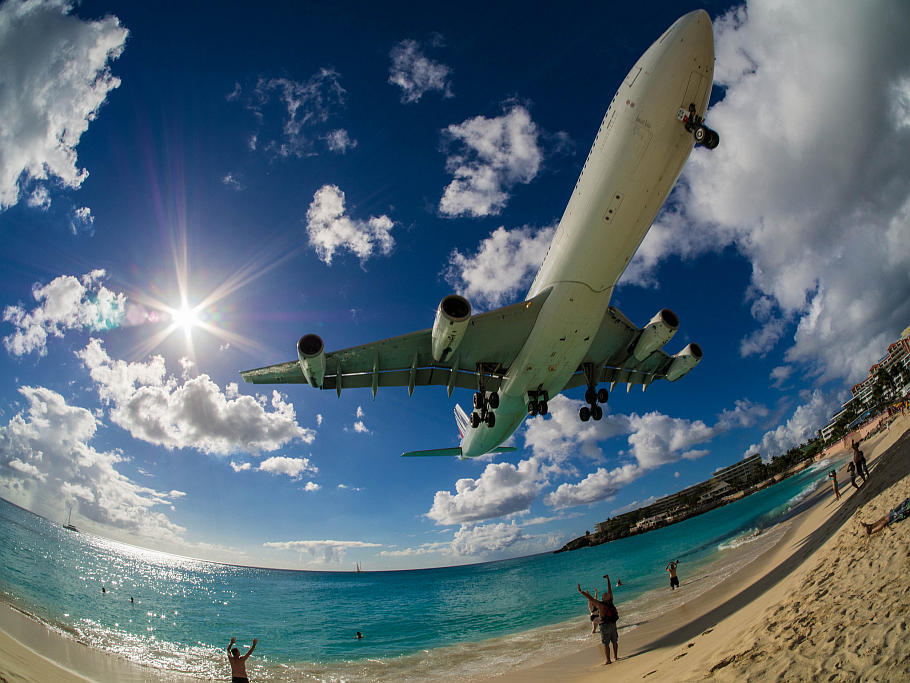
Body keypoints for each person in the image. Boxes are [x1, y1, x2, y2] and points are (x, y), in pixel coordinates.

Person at [578, 578, 619, 665]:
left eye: (604, 595)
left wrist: (581, 591)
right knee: (614, 641)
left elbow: (590, 598)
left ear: (604, 598)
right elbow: (610, 589)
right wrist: (608, 579)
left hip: (604, 626)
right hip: (613, 624)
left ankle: (608, 660)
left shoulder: (600, 604)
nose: (604, 595)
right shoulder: (611, 601)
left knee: (606, 644)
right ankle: (615, 656)